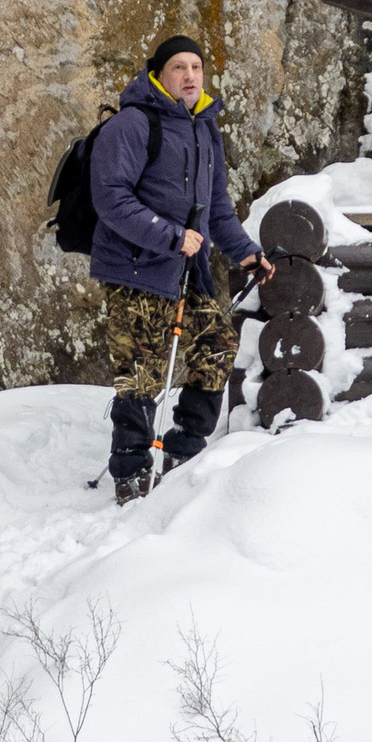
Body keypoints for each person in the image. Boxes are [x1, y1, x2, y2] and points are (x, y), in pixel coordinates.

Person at [89, 32, 264, 504]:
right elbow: (110, 197)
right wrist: (168, 235)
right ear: (159, 75)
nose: (190, 76)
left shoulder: (205, 127)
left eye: (196, 67)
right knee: (140, 374)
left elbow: (217, 207)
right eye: (178, 68)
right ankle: (130, 472)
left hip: (188, 266)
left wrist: (244, 250)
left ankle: (185, 452)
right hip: (136, 267)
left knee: (218, 346)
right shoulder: (131, 124)